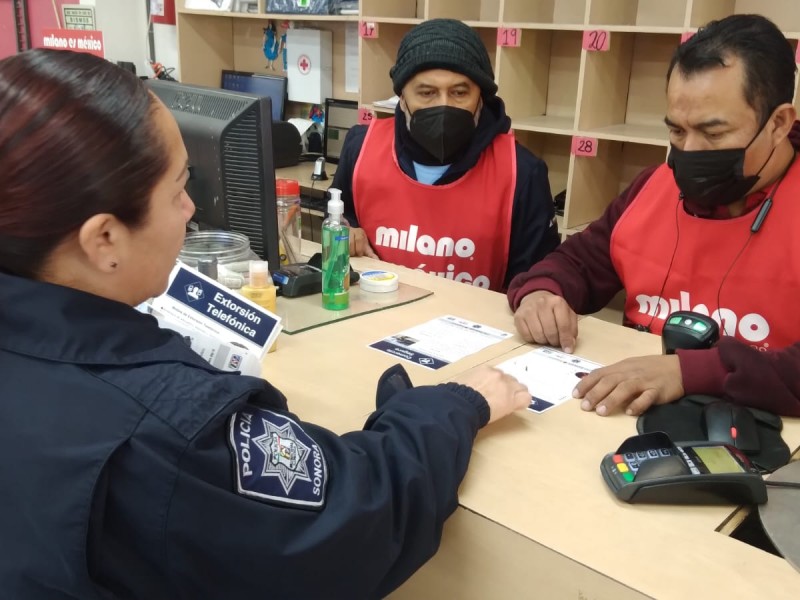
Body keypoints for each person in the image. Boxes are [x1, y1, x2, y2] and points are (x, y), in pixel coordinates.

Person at [0, 49, 531, 599]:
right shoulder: (169, 426)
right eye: (179, 189)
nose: (190, 210)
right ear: (104, 239)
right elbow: (353, 522)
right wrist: (452, 405)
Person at [508, 14, 800, 418]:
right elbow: (578, 260)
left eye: (713, 133)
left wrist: (690, 371)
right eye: (677, 132)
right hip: (629, 421)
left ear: (779, 123)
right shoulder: (654, 186)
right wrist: (542, 291)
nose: (690, 152)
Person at [331, 18, 560, 292]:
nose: (443, 105)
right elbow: (336, 215)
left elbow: (537, 281)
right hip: (374, 318)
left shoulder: (521, 172)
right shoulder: (361, 147)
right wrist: (344, 229)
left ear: (481, 97)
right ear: (402, 97)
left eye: (459, 92)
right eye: (426, 93)